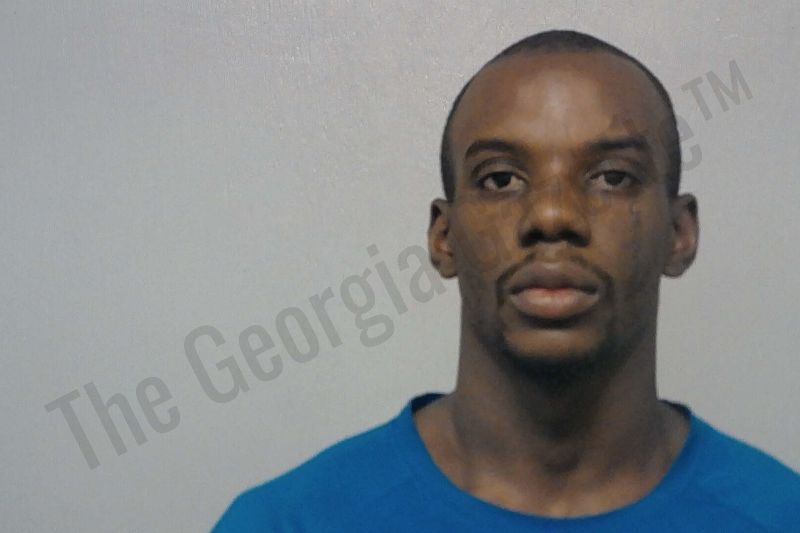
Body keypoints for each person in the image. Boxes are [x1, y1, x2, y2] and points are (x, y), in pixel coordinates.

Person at [212, 29, 800, 532]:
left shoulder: (779, 515)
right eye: (499, 180)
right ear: (444, 237)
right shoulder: (289, 522)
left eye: (612, 177)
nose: (553, 215)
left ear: (679, 233)